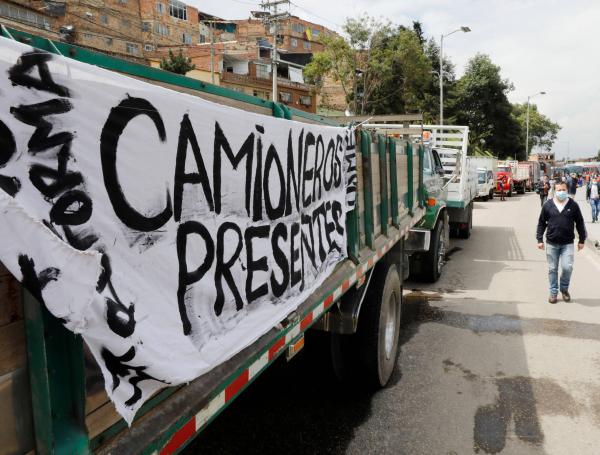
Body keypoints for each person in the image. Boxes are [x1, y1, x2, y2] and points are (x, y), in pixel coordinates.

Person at [536, 181, 586, 304]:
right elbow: (542, 223)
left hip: (567, 243)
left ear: (567, 190)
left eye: (563, 189)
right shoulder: (548, 205)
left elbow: (580, 222)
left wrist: (582, 240)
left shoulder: (573, 205)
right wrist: (539, 239)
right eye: (559, 190)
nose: (561, 192)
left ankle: (564, 289)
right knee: (552, 269)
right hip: (552, 243)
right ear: (554, 190)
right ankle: (553, 293)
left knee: (567, 267)